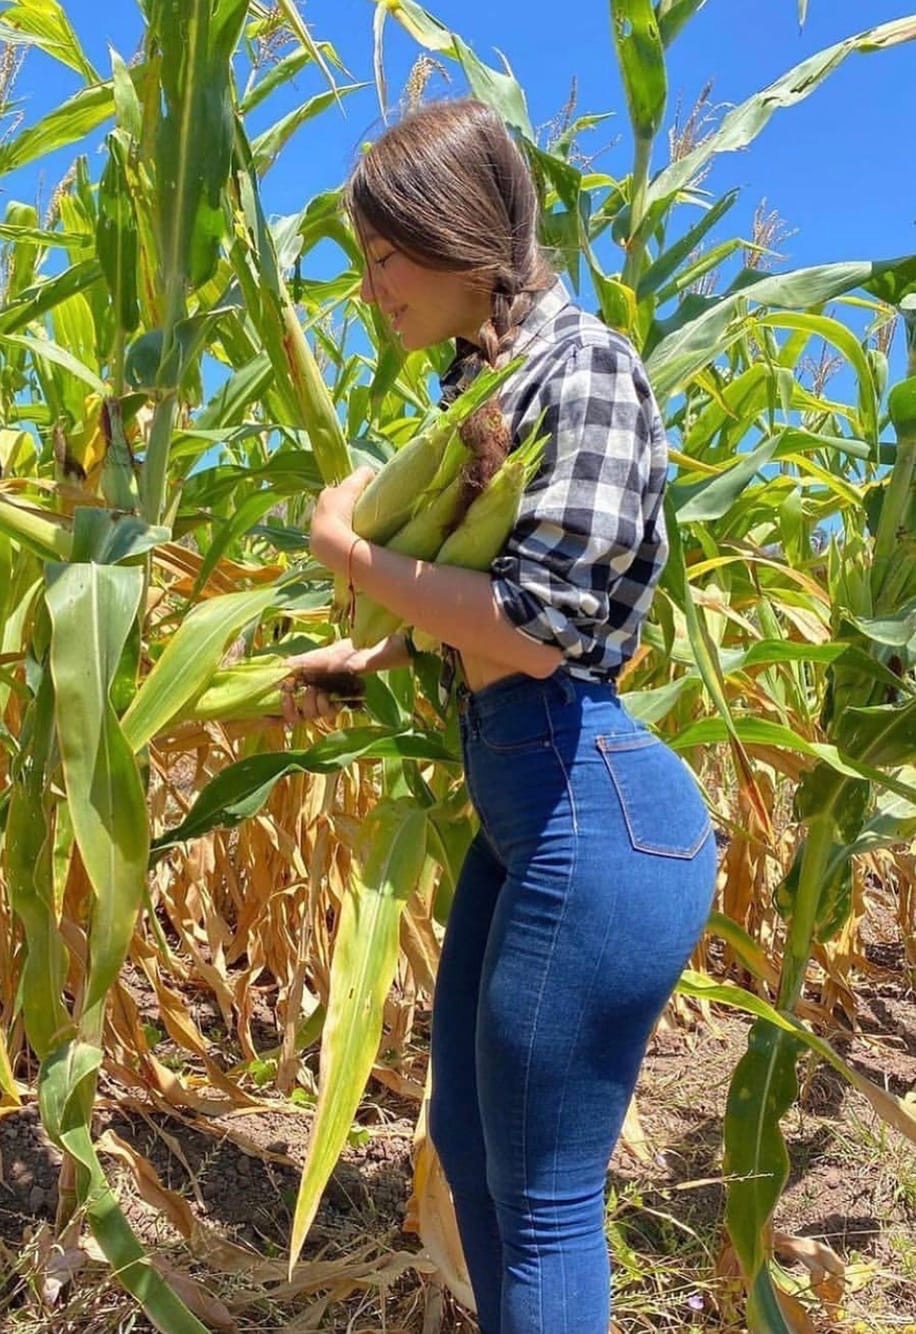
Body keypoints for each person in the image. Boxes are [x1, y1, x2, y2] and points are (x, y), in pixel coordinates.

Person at [283, 98, 717, 1334]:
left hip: (601, 816)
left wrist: (345, 550)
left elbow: (534, 624)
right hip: (535, 814)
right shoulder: (497, 380)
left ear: (459, 234)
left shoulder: (589, 369)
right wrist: (360, 649)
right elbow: (471, 596)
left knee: (543, 1202)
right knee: (471, 1154)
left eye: (384, 254)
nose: (372, 287)